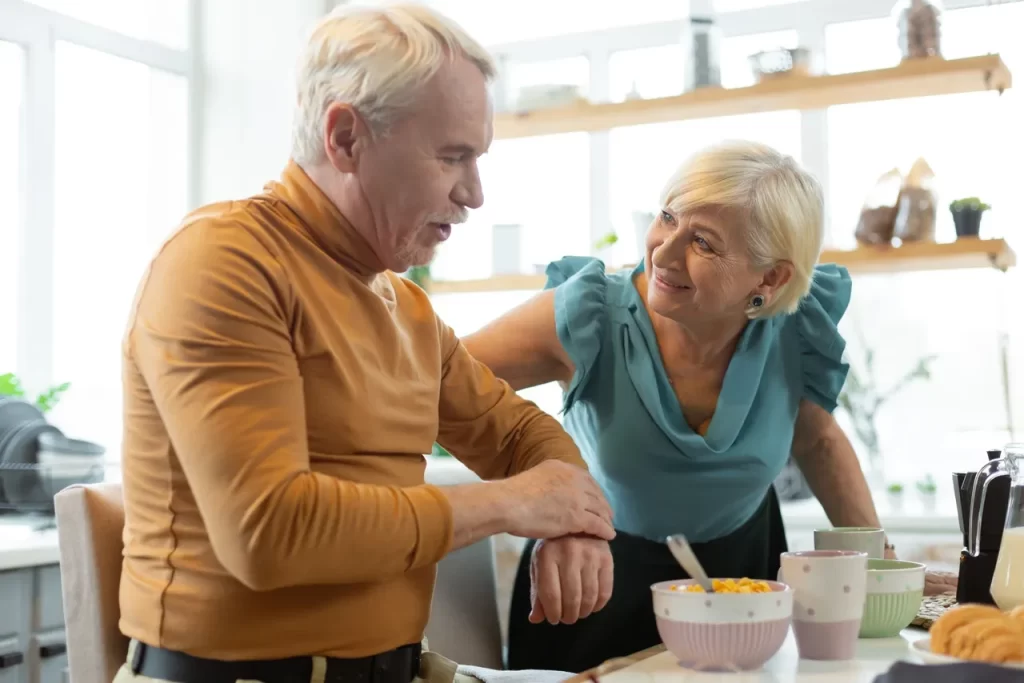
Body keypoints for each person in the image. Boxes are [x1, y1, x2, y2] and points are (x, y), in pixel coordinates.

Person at [114, 5, 615, 683]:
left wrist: (573, 519)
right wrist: (515, 504)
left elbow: (523, 435)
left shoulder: (405, 307)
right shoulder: (223, 263)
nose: (473, 194)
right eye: (452, 156)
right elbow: (270, 532)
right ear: (346, 137)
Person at [462, 140, 954, 674]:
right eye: (667, 218)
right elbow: (430, 383)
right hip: (593, 578)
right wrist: (552, 507)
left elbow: (817, 440)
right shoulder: (588, 317)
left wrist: (879, 565)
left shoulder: (795, 331)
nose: (664, 254)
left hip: (745, 578)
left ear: (770, 279)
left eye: (703, 242)